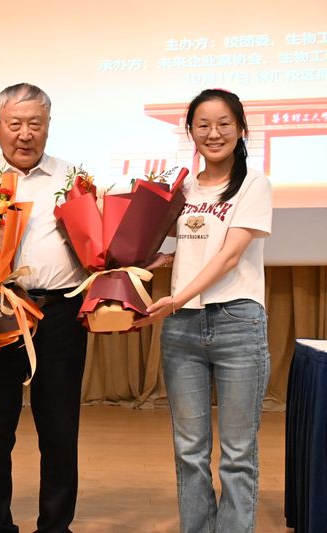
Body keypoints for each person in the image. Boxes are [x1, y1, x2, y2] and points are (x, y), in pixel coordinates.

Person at [135, 88, 272, 533]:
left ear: (241, 129)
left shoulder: (254, 184)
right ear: (191, 132)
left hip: (237, 322)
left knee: (237, 453)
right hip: (183, 328)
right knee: (189, 450)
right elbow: (199, 247)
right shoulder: (184, 188)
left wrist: (176, 297)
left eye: (224, 124)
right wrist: (159, 260)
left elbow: (229, 256)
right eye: (203, 125)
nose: (214, 133)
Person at [0, 83, 88, 532]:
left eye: (34, 123)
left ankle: (55, 526)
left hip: (60, 313)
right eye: (15, 123)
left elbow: (97, 243)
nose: (25, 133)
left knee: (59, 428)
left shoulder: (73, 180)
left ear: (48, 126)